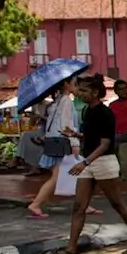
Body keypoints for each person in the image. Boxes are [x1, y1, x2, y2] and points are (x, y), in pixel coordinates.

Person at [49, 75, 127, 254]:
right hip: (88, 161)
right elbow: (92, 136)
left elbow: (104, 143)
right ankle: (71, 250)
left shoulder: (105, 113)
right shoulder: (87, 111)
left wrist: (84, 162)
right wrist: (76, 134)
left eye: (84, 91)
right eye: (80, 90)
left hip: (103, 162)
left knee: (117, 204)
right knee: (79, 206)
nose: (80, 94)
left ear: (95, 92)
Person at [27, 80, 96, 219]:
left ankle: (84, 204)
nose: (77, 88)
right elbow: (66, 125)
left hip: (54, 141)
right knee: (58, 177)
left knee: (73, 174)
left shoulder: (56, 101)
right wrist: (74, 142)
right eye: (75, 84)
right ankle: (36, 204)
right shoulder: (66, 101)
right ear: (67, 85)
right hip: (62, 142)